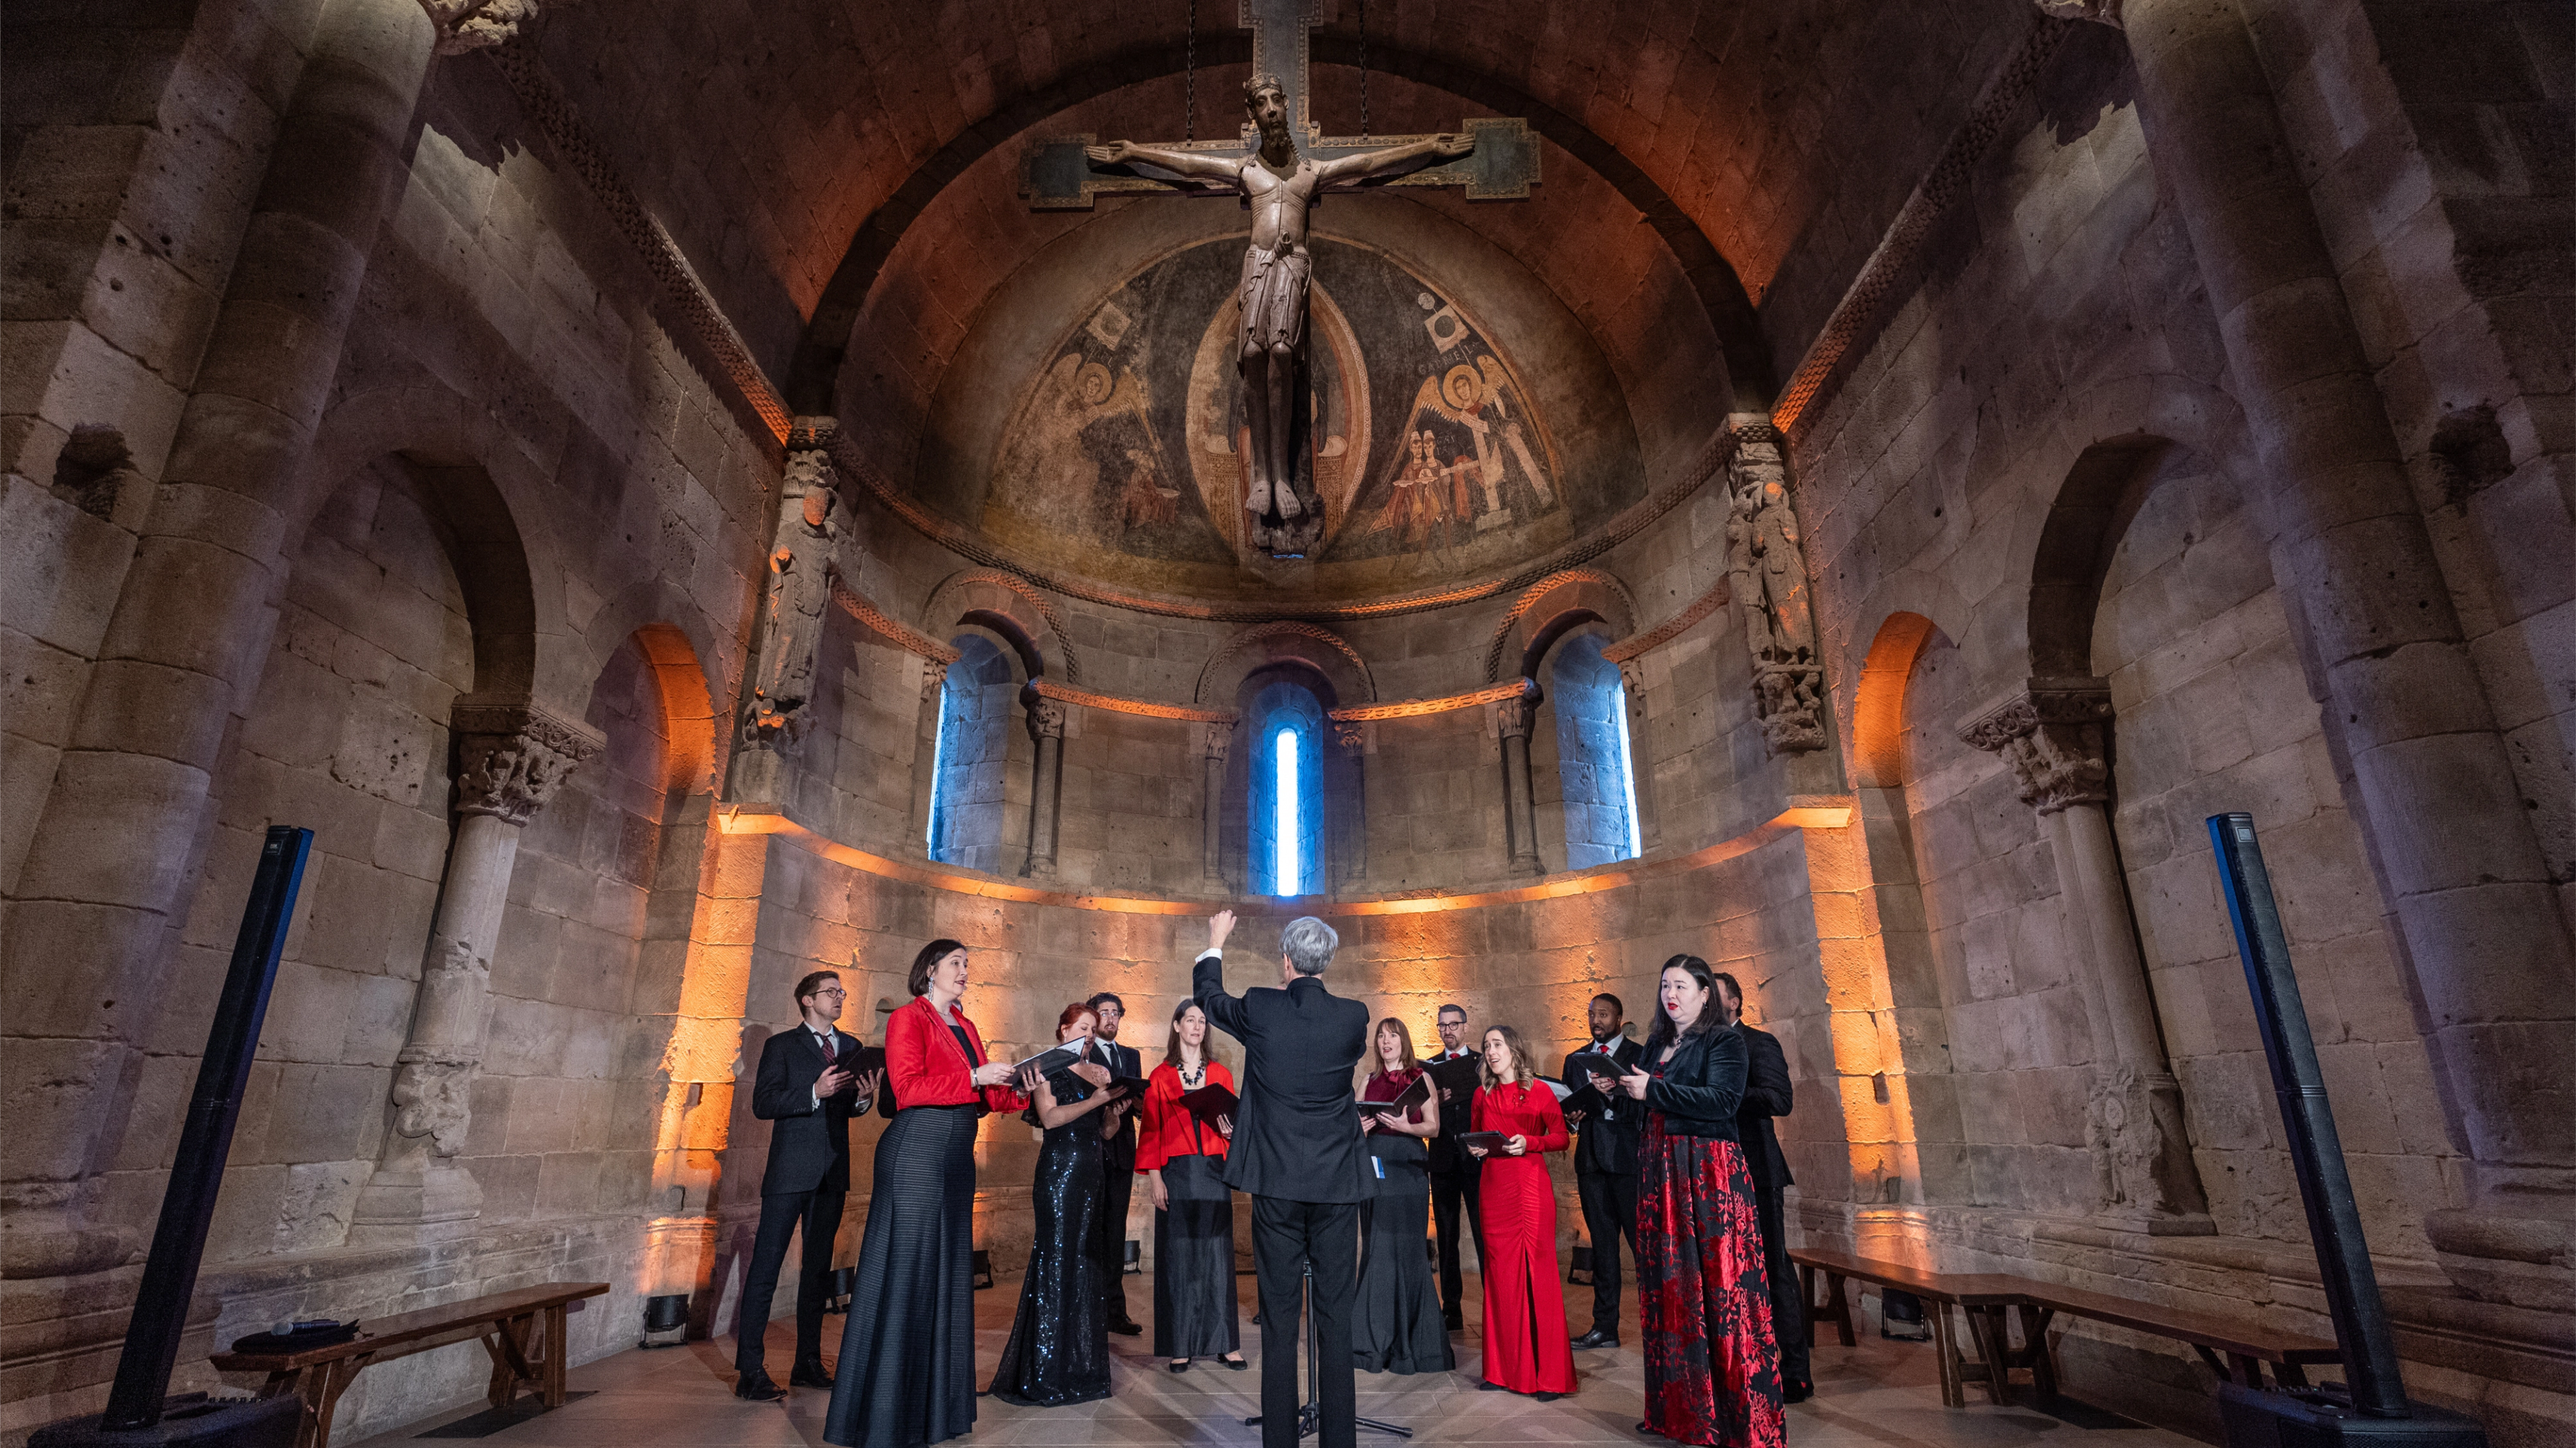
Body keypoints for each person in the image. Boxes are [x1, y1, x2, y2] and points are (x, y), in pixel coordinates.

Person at [824, 941, 1025, 1448]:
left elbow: (987, 1096)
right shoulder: (907, 1019)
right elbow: (909, 1089)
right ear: (930, 969)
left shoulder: (967, 1025)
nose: (964, 971)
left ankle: (932, 1411)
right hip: (915, 1154)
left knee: (944, 1278)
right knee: (908, 1274)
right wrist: (975, 1075)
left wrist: (1022, 1083)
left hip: (956, 1162)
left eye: (966, 964)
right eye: (956, 963)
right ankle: (885, 1414)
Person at [1192, 909, 1371, 1448]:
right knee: (1336, 1320)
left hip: (1275, 1183)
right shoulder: (1353, 1016)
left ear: (1286, 960)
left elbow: (1208, 997)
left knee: (1278, 1319)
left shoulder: (1262, 1006)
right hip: (1337, 1183)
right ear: (1328, 961)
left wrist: (1215, 943)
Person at [1616, 956, 1784, 1448]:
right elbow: (1647, 1101)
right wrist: (1624, 1088)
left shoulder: (1724, 1039)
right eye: (1665, 984)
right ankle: (1682, 1411)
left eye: (1682, 985)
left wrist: (1655, 1088)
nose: (1672, 994)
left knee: (1720, 1291)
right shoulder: (1655, 1043)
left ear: (1706, 992)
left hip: (1707, 1175)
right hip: (1661, 1175)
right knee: (1672, 1291)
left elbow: (1723, 1102)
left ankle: (1735, 1420)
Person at [735, 970, 883, 1400]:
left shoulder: (852, 1047)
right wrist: (813, 1091)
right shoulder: (781, 1046)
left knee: (817, 1272)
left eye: (841, 992)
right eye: (830, 992)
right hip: (788, 1174)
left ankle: (808, 1362)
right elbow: (763, 1103)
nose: (839, 998)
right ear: (806, 1000)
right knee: (765, 1270)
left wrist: (862, 1097)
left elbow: (854, 1107)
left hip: (832, 1172)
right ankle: (750, 1371)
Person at [988, 1004, 1128, 1408]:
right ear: (1063, 1029)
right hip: (1059, 1175)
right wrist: (1095, 1100)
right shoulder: (1044, 1069)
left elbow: (1103, 1130)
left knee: (1088, 1265)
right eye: (1082, 1028)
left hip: (1091, 1175)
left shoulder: (1100, 1072)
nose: (1088, 1035)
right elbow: (1049, 1118)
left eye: (1092, 1030)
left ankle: (1082, 1367)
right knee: (1057, 1262)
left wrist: (1113, 1114)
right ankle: (1045, 1371)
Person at [1466, 1025, 1575, 1399]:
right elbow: (1476, 1135)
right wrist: (1478, 1149)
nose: (1491, 1052)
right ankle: (1500, 1370)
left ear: (1514, 1049)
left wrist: (1530, 1142)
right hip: (1494, 1190)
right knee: (1499, 1277)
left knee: (1538, 1275)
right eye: (1486, 1047)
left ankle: (1549, 1376)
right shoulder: (1481, 1095)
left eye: (1497, 1045)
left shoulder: (1540, 1091)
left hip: (1530, 1189)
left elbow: (1561, 1137)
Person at [1136, 1000, 1246, 1372]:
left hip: (1214, 1169)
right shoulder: (1160, 1076)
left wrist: (1230, 1132)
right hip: (1177, 1172)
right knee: (1179, 1259)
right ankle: (1180, 1344)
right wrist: (1155, 1178)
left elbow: (1233, 1126)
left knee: (1217, 1257)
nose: (1198, 1026)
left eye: (1202, 1021)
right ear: (1177, 1025)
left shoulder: (1221, 1074)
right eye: (1190, 1020)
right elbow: (1150, 1131)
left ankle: (1226, 1344)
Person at [1716, 972, 1808, 1402]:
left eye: (1713, 995)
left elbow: (1780, 1099)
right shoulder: (1705, 1050)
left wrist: (1728, 1094)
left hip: (1757, 1168)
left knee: (1773, 1266)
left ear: (1735, 1001)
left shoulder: (1758, 1043)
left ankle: (1795, 1371)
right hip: (1717, 1173)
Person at [1353, 1019, 1454, 1375]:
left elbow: (1434, 1126)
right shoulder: (1367, 1080)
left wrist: (1404, 1127)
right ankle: (1372, 1341)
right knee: (1378, 1246)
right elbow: (1352, 1125)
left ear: (1403, 1041)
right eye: (1380, 1036)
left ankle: (1417, 1343)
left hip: (1408, 1167)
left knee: (1408, 1249)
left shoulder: (1420, 1078)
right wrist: (1361, 1129)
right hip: (1375, 1164)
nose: (1385, 1041)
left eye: (1392, 1035)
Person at [1564, 993, 1644, 1350]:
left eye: (1604, 1014)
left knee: (1644, 1246)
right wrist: (1574, 1118)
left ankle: (1662, 1324)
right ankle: (1605, 1327)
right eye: (1592, 1014)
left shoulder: (1639, 1054)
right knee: (1604, 1248)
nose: (1597, 1020)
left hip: (1629, 1162)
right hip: (1592, 1162)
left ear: (1619, 1017)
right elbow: (1570, 1111)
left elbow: (1649, 1108)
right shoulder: (1576, 1060)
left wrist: (1614, 1094)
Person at [1083, 991, 1147, 1336]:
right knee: (1091, 1232)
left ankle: (1115, 1311)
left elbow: (1140, 1107)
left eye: (1115, 1013)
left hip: (1121, 1152)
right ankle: (1088, 1309)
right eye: (1103, 1012)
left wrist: (1137, 1103)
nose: (1110, 1018)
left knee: (1115, 1232)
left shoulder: (1131, 1056)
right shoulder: (1082, 1052)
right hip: (1090, 1150)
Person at [1422, 1003, 1487, 1331]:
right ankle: (1452, 1308)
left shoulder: (1481, 1062)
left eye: (1453, 1025)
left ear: (1464, 1027)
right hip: (1444, 1158)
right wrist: (1438, 1100)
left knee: (1482, 1231)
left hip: (1477, 1159)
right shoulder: (1429, 1068)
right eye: (1442, 1026)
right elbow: (1419, 1111)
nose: (1448, 1031)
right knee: (1447, 1236)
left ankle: (1494, 1304)